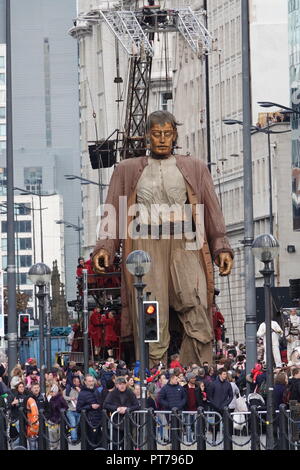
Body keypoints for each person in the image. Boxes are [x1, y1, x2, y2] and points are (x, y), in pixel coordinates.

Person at [92, 110, 233, 366]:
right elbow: (112, 208)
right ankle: (155, 375)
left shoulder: (195, 167)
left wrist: (221, 246)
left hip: (185, 242)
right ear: (147, 136)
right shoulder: (127, 169)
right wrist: (105, 247)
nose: (162, 139)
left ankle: (195, 373)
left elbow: (212, 210)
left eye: (167, 134)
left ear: (175, 135)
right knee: (150, 314)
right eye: (156, 134)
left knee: (198, 304)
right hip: (144, 245)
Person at [76, 375, 103, 449]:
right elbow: (78, 409)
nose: (91, 383)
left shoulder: (96, 390)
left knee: (99, 443)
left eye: (92, 381)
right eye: (89, 381)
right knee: (89, 443)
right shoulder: (82, 394)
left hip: (98, 420)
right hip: (88, 422)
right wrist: (90, 406)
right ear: (85, 382)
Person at [63, 376, 82, 444]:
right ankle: (74, 439)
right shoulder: (68, 389)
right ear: (74, 382)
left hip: (78, 410)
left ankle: (76, 437)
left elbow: (83, 397)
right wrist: (70, 398)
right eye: (77, 382)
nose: (78, 383)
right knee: (73, 424)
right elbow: (64, 396)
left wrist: (80, 391)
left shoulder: (80, 389)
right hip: (70, 410)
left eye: (79, 382)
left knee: (77, 424)